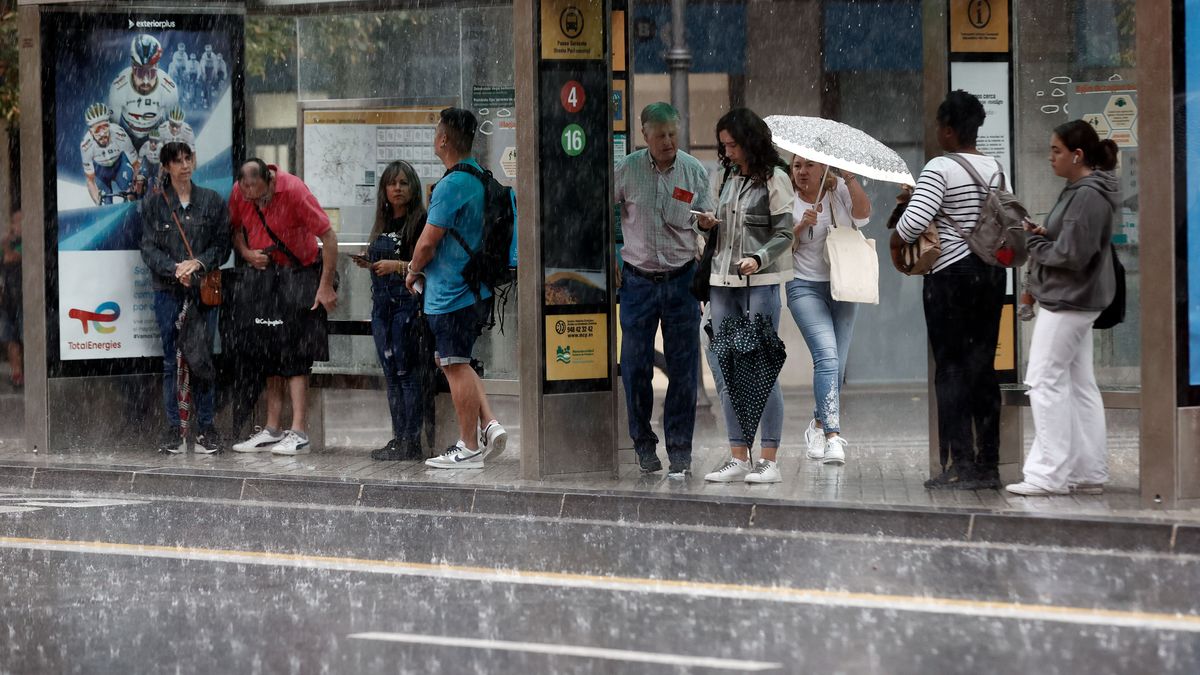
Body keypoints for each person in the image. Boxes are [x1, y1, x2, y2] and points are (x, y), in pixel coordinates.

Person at [895, 90, 1006, 490]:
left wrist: (910, 206)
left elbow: (910, 228)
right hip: (991, 274)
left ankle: (961, 464)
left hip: (951, 277)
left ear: (947, 129)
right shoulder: (994, 168)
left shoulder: (939, 167)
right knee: (982, 368)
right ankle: (989, 465)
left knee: (952, 370)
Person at [1006, 121, 1119, 496]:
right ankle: (1088, 471)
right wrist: (1045, 234)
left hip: (1068, 299)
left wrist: (1034, 246)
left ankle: (1048, 474)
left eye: (1056, 150)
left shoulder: (1085, 194)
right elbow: (1072, 242)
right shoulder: (1085, 191)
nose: (1050, 157)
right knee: (1079, 385)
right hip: (1080, 298)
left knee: (1043, 381)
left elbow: (1072, 253)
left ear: (1077, 155)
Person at [614, 102, 713, 477]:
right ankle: (643, 443)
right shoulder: (627, 169)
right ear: (645, 136)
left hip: (681, 281)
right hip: (638, 282)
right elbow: (605, 207)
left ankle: (680, 449)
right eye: (661, 136)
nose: (669, 141)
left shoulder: (693, 171)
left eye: (673, 133)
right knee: (635, 367)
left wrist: (706, 223)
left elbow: (708, 221)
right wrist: (612, 251)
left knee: (684, 371)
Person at [404, 107, 507, 469]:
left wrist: (413, 270)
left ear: (444, 138)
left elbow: (428, 243)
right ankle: (489, 424)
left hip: (452, 293)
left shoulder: (451, 185)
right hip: (475, 289)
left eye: (436, 130)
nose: (435, 135)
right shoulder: (478, 174)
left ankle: (468, 447)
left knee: (454, 364)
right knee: (456, 360)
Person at [696, 108, 795, 484]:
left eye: (733, 144)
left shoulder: (775, 178)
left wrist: (758, 257)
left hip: (760, 283)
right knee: (727, 370)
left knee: (760, 370)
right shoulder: (728, 177)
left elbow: (786, 234)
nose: (729, 151)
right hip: (723, 282)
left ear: (750, 141)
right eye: (724, 146)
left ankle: (769, 457)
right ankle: (739, 453)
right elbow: (720, 231)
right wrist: (704, 223)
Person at [229, 158, 339, 455]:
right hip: (266, 277)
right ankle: (272, 428)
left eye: (260, 195)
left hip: (299, 273)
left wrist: (325, 285)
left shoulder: (294, 190)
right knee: (269, 350)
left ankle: (299, 430)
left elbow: (329, 237)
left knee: (295, 352)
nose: (254, 200)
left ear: (270, 180)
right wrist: (248, 254)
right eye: (247, 193)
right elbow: (235, 230)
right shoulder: (240, 191)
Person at [139, 142, 230, 454]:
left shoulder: (212, 201)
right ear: (165, 167)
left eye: (188, 158)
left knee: (202, 358)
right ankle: (174, 430)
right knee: (170, 361)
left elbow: (223, 245)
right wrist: (174, 268)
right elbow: (148, 249)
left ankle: (206, 429)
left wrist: (199, 263)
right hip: (168, 291)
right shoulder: (155, 205)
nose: (184, 165)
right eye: (176, 161)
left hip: (203, 290)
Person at [786, 155, 871, 466]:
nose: (803, 172)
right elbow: (777, 246)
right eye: (797, 166)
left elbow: (863, 217)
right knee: (827, 356)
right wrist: (798, 227)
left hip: (844, 284)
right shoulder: (788, 200)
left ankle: (819, 426)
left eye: (810, 165)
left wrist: (849, 178)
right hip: (804, 287)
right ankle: (834, 436)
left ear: (823, 168)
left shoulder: (839, 192)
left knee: (838, 363)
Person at [354, 161, 430, 461]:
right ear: (384, 189)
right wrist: (368, 261)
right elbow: (380, 263)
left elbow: (426, 264)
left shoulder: (421, 221)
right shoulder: (382, 223)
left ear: (413, 188)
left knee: (407, 373)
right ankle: (399, 438)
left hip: (408, 306)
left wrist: (397, 266)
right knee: (391, 375)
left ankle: (411, 441)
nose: (397, 189)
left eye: (403, 183)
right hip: (382, 308)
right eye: (392, 183)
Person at [108, 34, 179, 151]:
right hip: (128, 134)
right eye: (140, 72)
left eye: (151, 72)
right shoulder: (118, 87)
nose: (145, 80)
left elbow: (172, 128)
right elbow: (113, 128)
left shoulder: (169, 89)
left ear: (158, 67)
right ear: (132, 66)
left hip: (156, 134)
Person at [80, 102, 139, 205]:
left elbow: (136, 164)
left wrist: (137, 183)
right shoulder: (86, 146)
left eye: (105, 127)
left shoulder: (119, 134)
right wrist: (97, 200)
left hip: (119, 166)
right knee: (104, 203)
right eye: (97, 129)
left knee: (132, 195)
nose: (102, 133)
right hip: (101, 171)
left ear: (109, 124)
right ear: (90, 131)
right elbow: (90, 180)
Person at [0, 210, 22, 388]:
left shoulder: (26, 243)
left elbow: (11, 258)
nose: (18, 226)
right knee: (10, 337)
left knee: (23, 336)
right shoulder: (10, 242)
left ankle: (25, 370)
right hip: (8, 299)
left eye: (21, 222)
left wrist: (5, 244)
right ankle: (17, 373)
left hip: (26, 297)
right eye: (15, 222)